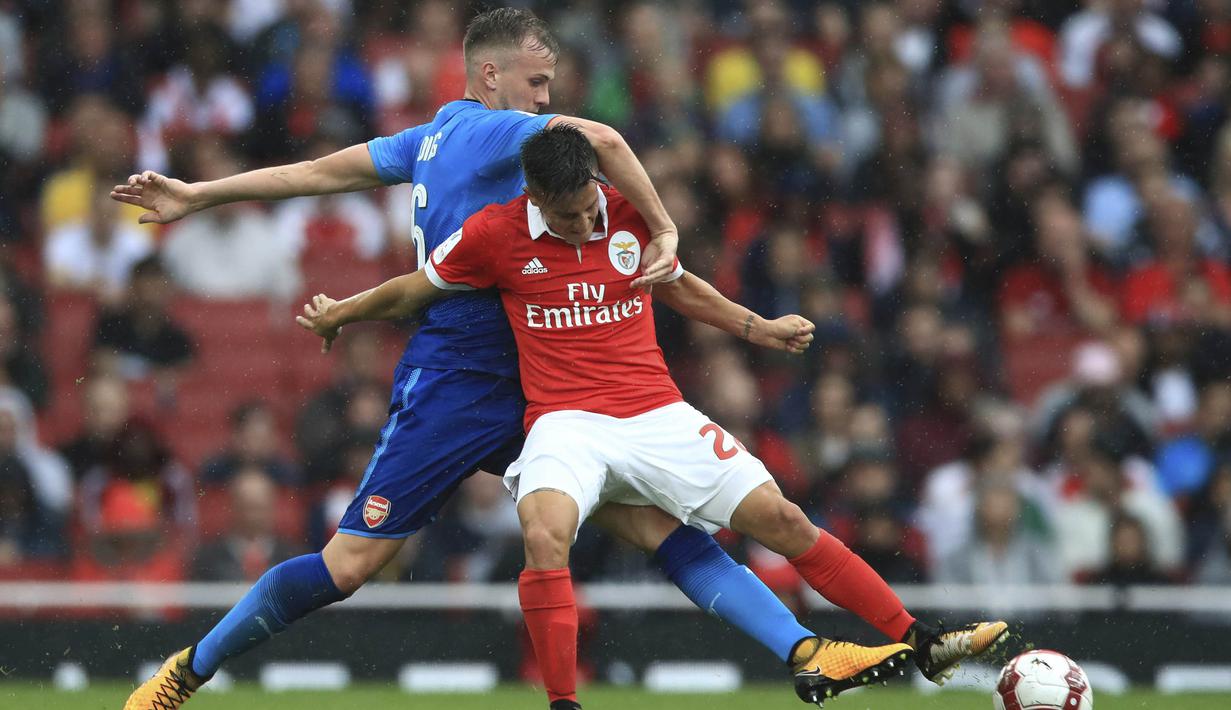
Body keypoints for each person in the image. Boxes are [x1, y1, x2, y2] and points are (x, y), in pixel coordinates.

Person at [116, 9, 866, 710]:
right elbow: (602, 140)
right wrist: (666, 227)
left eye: (549, 88)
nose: (544, 103)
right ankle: (189, 669)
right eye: (536, 85)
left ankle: (802, 651)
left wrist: (200, 193)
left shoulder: (423, 141)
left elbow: (311, 173)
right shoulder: (488, 134)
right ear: (489, 78)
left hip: (545, 386)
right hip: (455, 381)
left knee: (661, 530)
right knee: (347, 566)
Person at [298, 124, 1009, 708]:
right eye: (566, 214)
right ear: (534, 196)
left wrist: (754, 327)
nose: (583, 223)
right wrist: (343, 312)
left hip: (655, 411)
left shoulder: (628, 210)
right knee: (544, 534)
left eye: (588, 208)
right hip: (565, 421)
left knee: (783, 521)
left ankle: (922, 641)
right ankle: (563, 703)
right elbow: (411, 290)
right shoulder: (494, 232)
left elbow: (677, 285)